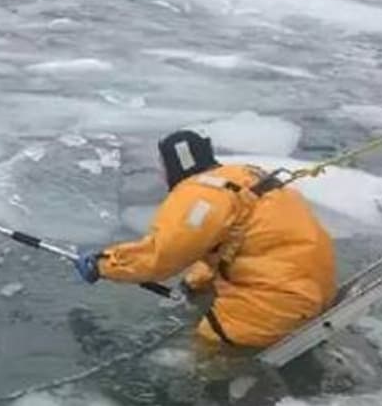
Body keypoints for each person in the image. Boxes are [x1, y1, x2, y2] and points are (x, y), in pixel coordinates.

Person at [73, 130, 337, 349]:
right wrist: (194, 282)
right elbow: (234, 245)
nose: (162, 174)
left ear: (178, 163)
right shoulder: (243, 177)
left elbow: (161, 255)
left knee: (207, 351)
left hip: (275, 305)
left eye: (164, 166)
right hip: (316, 289)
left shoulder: (199, 195)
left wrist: (103, 264)